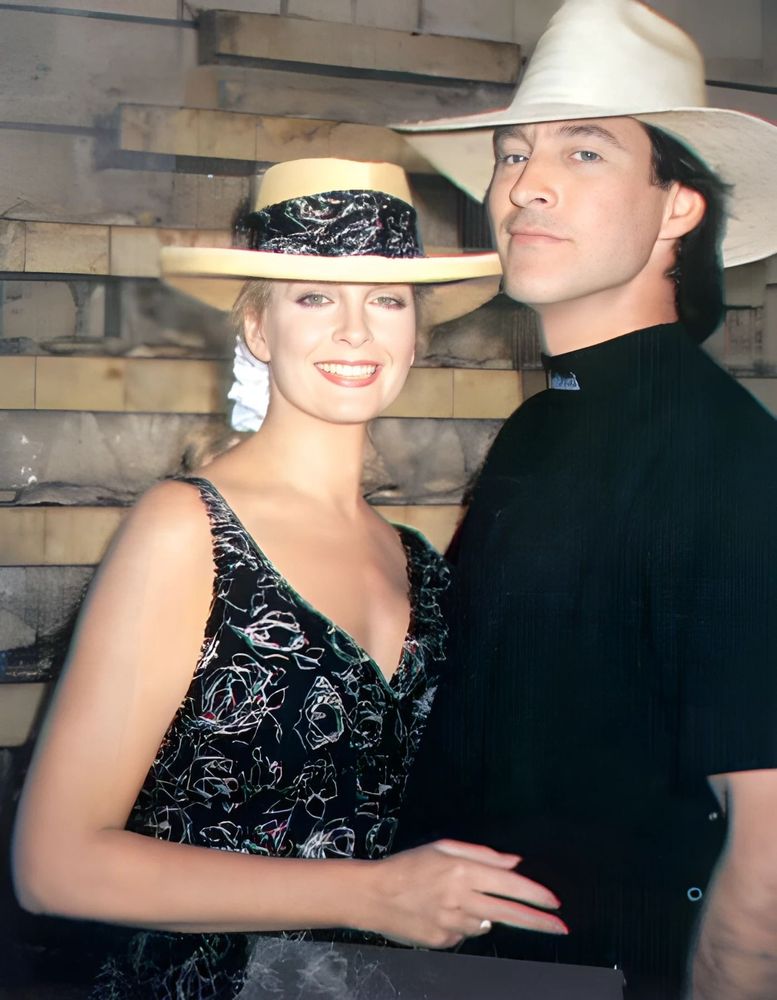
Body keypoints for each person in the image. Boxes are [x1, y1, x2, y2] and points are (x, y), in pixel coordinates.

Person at [11, 158, 568, 999]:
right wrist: (378, 893)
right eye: (314, 297)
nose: (355, 332)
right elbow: (53, 867)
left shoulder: (417, 558)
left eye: (385, 300)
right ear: (259, 331)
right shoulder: (186, 530)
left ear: (416, 334)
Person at [391, 2, 777, 997]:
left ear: (679, 206)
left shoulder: (724, 457)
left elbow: (770, 852)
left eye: (587, 152)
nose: (527, 187)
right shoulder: (542, 425)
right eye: (513, 154)